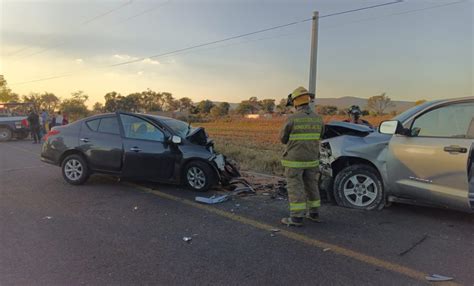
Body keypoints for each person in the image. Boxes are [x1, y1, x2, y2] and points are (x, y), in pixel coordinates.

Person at [279, 86, 324, 227]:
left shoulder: (292, 118)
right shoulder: (318, 119)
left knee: (295, 186)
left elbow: (283, 138)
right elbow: (321, 135)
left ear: (295, 102)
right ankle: (314, 213)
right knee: (312, 185)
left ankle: (297, 218)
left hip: (295, 161)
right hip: (312, 159)